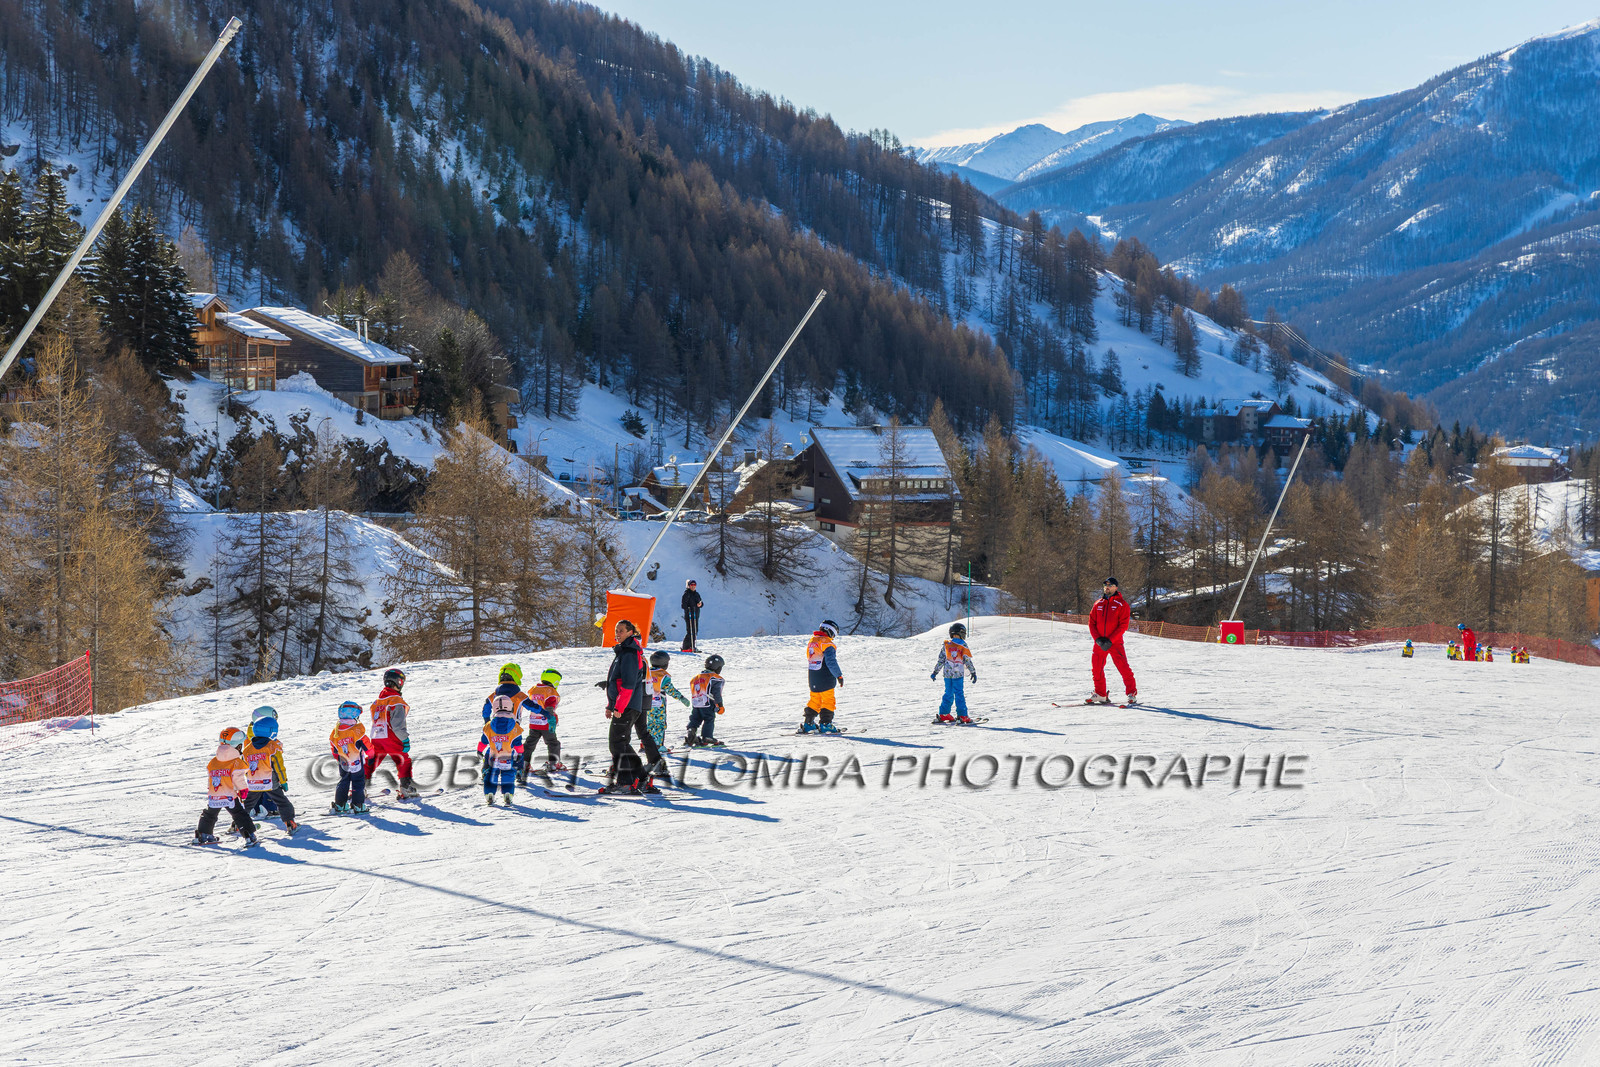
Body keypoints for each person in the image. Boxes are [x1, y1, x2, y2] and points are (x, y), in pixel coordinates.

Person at [600, 618, 662, 794]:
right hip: (626, 705)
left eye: (621, 630)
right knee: (623, 743)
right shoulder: (624, 652)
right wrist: (611, 705)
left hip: (627, 706)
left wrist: (619, 707)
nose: (617, 634)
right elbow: (616, 682)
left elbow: (628, 685)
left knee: (617, 744)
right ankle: (640, 778)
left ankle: (625, 782)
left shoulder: (629, 653)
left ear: (630, 632)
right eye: (616, 630)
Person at [193, 727, 258, 846]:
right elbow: (238, 778)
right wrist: (243, 790)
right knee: (239, 814)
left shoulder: (213, 761)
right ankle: (249, 835)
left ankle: (203, 833)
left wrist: (211, 789)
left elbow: (211, 777)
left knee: (209, 814)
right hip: (229, 796)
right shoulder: (236, 762)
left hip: (215, 795)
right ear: (238, 746)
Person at [364, 668, 417, 798]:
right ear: (398, 682)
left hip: (377, 737)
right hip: (392, 737)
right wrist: (404, 739)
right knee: (403, 759)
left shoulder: (377, 702)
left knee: (372, 759)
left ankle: (359, 787)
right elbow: (397, 725)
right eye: (401, 682)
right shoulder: (396, 701)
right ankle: (406, 788)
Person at [1086, 577, 1137, 705]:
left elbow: (1123, 625)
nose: (1107, 587)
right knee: (1096, 669)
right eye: (1105, 585)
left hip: (1114, 643)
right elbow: (1091, 622)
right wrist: (1097, 639)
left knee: (1123, 667)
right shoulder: (1098, 603)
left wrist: (1110, 640)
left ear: (1116, 587)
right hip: (1099, 643)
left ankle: (1131, 693)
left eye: (1110, 585)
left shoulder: (1122, 604)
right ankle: (1100, 694)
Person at [241, 717, 297, 833]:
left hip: (254, 783)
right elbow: (279, 767)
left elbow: (245, 768)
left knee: (248, 804)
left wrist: (250, 781)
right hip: (270, 783)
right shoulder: (273, 747)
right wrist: (283, 782)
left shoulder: (247, 750)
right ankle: (290, 823)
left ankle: (237, 823)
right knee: (282, 803)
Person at [478, 703, 525, 806]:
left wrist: (479, 750)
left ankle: (489, 794)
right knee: (508, 775)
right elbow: (518, 745)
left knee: (491, 775)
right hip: (508, 757)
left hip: (493, 757)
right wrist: (520, 753)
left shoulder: (489, 726)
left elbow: (483, 741)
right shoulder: (514, 727)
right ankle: (508, 795)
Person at [931, 622, 979, 723]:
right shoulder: (962, 644)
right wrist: (973, 672)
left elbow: (941, 660)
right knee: (959, 694)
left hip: (947, 675)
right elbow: (967, 660)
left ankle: (944, 714)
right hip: (958, 674)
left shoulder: (946, 644)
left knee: (948, 693)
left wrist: (935, 672)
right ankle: (962, 715)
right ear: (961, 633)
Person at [329, 700, 371, 814]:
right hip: (356, 761)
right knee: (358, 782)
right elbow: (366, 743)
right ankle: (358, 805)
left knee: (343, 781)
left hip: (343, 762)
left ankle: (339, 804)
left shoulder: (336, 732)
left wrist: (337, 757)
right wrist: (371, 753)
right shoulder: (356, 730)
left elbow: (334, 748)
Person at [803, 620, 844, 734]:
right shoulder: (827, 644)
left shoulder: (812, 641)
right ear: (830, 632)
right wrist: (839, 675)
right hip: (825, 678)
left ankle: (808, 723)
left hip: (813, 677)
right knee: (828, 700)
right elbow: (831, 662)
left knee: (815, 700)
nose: (833, 638)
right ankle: (826, 724)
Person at [648, 651, 690, 753]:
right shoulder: (663, 675)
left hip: (646, 704)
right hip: (658, 704)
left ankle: (646, 745)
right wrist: (681, 698)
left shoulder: (646, 672)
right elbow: (670, 689)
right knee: (659, 724)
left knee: (650, 724)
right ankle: (658, 746)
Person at [524, 669, 565, 775]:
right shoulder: (550, 692)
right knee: (553, 743)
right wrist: (552, 720)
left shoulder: (534, 689)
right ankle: (553, 764)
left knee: (530, 744)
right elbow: (550, 708)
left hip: (534, 722)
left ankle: (524, 764)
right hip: (546, 723)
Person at [687, 654, 726, 746]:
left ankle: (690, 733)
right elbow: (716, 693)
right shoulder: (714, 678)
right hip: (708, 703)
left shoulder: (696, 677)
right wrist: (720, 705)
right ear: (716, 667)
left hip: (696, 703)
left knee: (695, 719)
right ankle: (707, 737)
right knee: (709, 719)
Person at [681, 579, 704, 652]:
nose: (693, 586)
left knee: (695, 631)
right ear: (689, 586)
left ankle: (692, 646)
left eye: (694, 585)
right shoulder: (686, 594)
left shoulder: (697, 594)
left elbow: (701, 602)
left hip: (695, 614)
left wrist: (700, 604)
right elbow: (683, 605)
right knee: (690, 631)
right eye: (692, 585)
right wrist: (688, 608)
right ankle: (685, 647)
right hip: (689, 615)